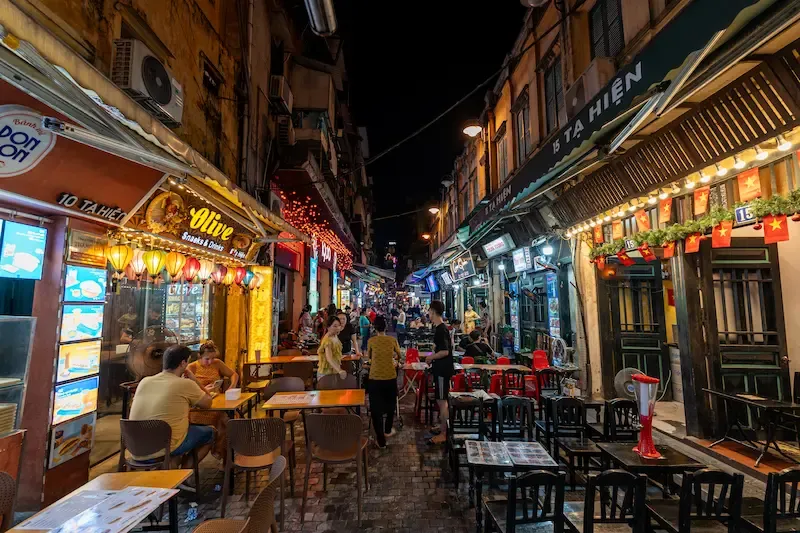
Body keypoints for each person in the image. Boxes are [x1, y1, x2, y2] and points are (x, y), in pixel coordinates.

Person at [128, 345, 214, 467]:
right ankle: (184, 474)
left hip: (136, 447)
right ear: (183, 363)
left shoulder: (144, 381)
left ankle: (173, 472)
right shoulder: (185, 384)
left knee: (179, 431)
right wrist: (194, 380)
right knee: (210, 433)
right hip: (165, 446)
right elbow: (208, 403)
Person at [366, 316, 401, 449]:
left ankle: (381, 441)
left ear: (374, 328)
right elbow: (399, 355)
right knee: (390, 404)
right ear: (386, 327)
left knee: (376, 409)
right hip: (390, 376)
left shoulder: (371, 341)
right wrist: (393, 359)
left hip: (375, 377)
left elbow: (368, 357)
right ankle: (387, 429)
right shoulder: (392, 340)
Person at [427, 301, 454, 445]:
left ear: (432, 311)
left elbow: (445, 351)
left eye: (429, 311)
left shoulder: (441, 329)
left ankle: (444, 433)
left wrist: (431, 357)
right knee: (440, 399)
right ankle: (443, 426)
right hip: (441, 369)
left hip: (443, 370)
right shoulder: (440, 328)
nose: (428, 314)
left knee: (442, 401)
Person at [318, 315, 347, 380]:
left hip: (334, 371)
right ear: (328, 327)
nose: (338, 328)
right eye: (335, 326)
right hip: (326, 373)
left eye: (339, 325)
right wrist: (340, 370)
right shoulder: (327, 340)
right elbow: (329, 358)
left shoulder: (335, 335)